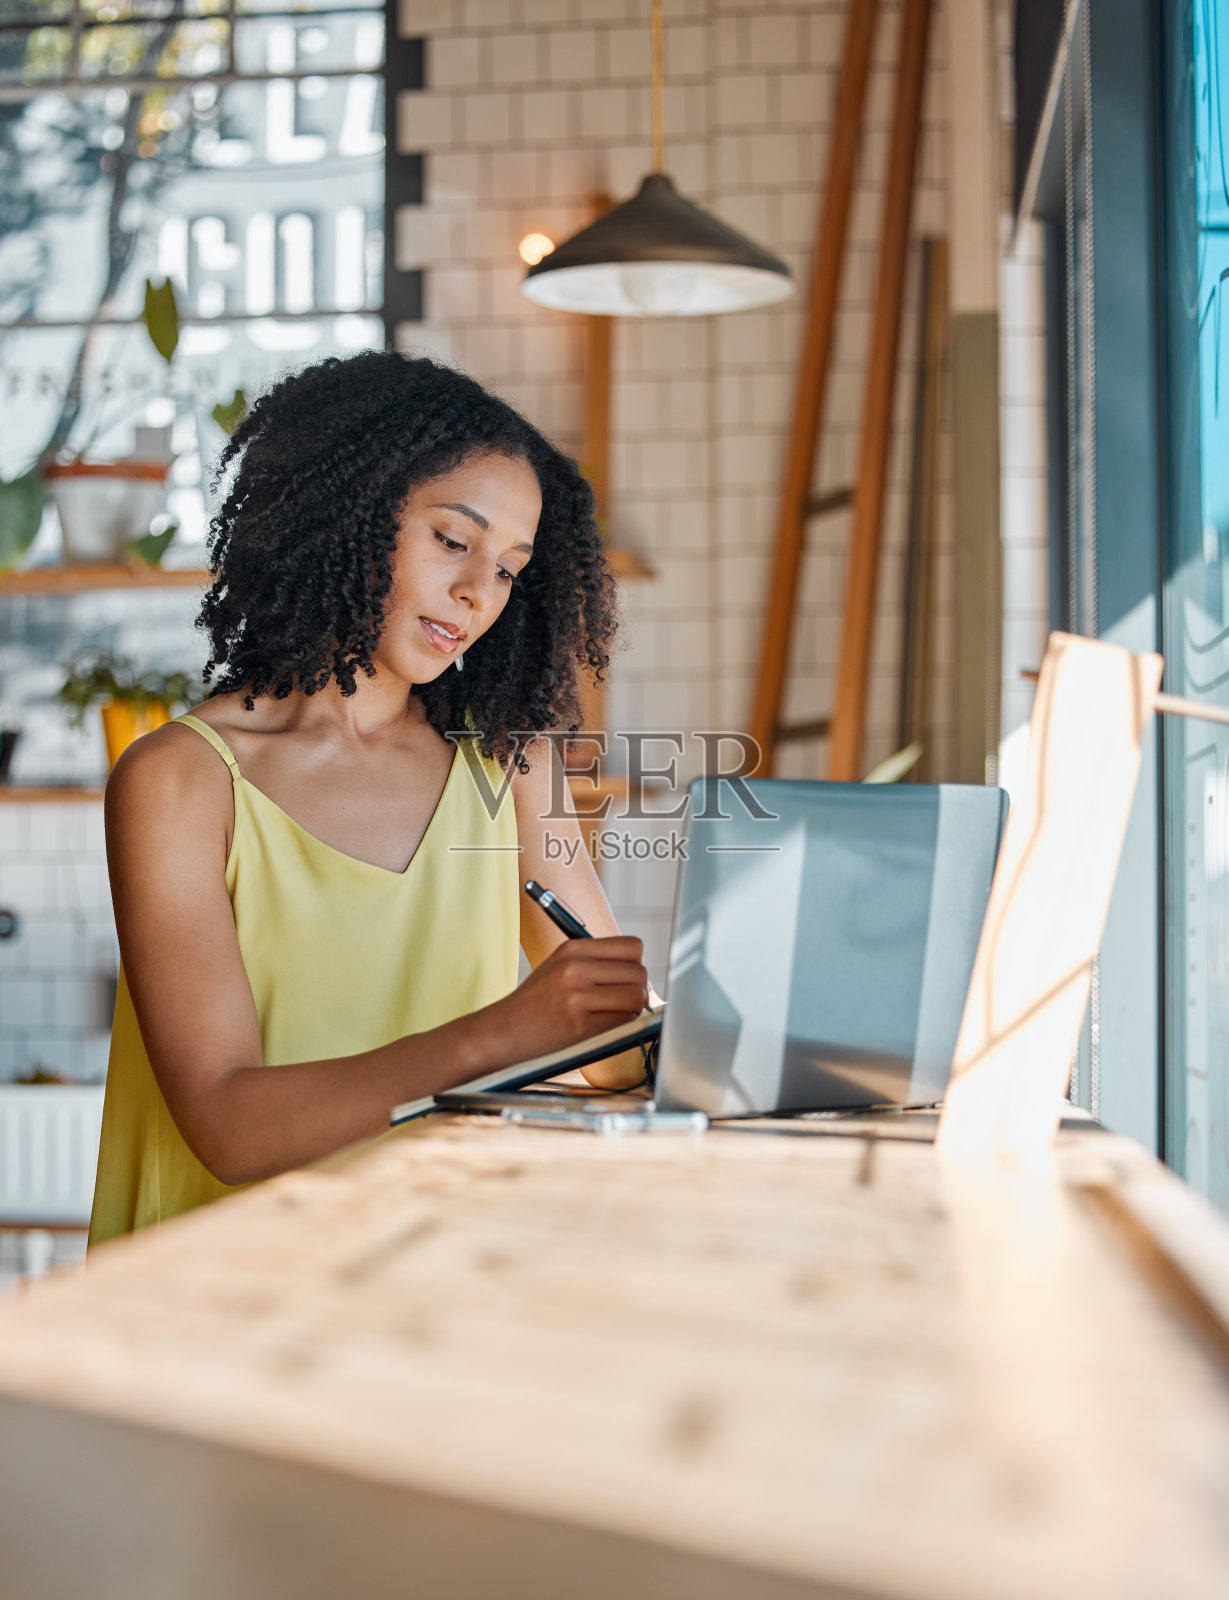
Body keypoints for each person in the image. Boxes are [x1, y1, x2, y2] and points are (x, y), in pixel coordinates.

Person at [88, 352, 651, 1247]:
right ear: (345, 514)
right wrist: (505, 1034)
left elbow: (613, 1057)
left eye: (508, 568)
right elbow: (226, 1125)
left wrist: (678, 1025)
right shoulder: (183, 780)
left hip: (422, 1272)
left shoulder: (503, 761)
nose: (476, 594)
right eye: (451, 539)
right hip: (212, 1298)